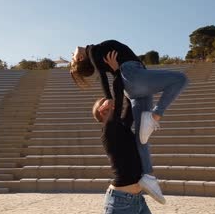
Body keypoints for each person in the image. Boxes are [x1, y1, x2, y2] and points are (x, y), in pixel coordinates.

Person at [70, 40, 188, 204]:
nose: (72, 53)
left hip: (130, 84)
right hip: (133, 75)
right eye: (73, 57)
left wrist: (116, 75)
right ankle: (155, 116)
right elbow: (104, 79)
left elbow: (115, 84)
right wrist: (110, 97)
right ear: (81, 58)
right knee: (180, 79)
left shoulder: (118, 124)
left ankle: (148, 176)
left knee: (142, 136)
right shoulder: (93, 51)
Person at [89, 68, 167, 214]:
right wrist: (116, 72)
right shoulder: (108, 129)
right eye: (106, 104)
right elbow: (116, 98)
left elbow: (129, 109)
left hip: (137, 200)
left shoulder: (121, 126)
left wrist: (134, 81)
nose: (112, 104)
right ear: (101, 111)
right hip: (119, 202)